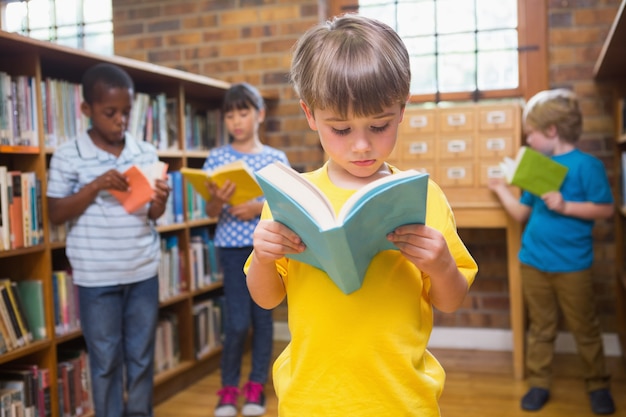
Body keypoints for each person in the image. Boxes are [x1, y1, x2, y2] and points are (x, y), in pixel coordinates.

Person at [244, 14, 478, 417]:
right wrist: (263, 257)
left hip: (401, 399)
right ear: (310, 115)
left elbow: (452, 300)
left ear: (401, 110)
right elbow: (266, 299)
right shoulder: (292, 199)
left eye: (379, 124)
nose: (362, 145)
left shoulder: (425, 197)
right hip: (311, 398)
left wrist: (441, 266)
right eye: (341, 129)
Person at [46, 63, 170, 417]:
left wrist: (159, 202)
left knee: (142, 357)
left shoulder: (144, 151)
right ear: (87, 110)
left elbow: (152, 214)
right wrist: (96, 185)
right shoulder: (69, 155)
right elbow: (56, 213)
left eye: (126, 112)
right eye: (110, 113)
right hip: (96, 277)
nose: (120, 121)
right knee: (104, 362)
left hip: (142, 271)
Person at [488, 88, 616, 415]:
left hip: (573, 266)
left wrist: (566, 205)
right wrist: (502, 190)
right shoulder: (536, 167)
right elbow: (521, 214)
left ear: (551, 131)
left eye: (530, 133)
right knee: (541, 329)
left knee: (585, 328)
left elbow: (605, 209)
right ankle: (539, 384)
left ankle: (598, 384)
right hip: (533, 262)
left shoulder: (587, 166)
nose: (528, 140)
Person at [203, 82, 290, 417]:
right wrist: (218, 200)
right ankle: (228, 388)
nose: (236, 121)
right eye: (230, 115)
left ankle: (256, 386)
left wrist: (256, 208)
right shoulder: (217, 157)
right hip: (230, 247)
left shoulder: (275, 158)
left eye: (243, 112)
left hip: (266, 248)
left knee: (263, 319)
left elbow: (284, 206)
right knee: (237, 323)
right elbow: (210, 212)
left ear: (260, 115)